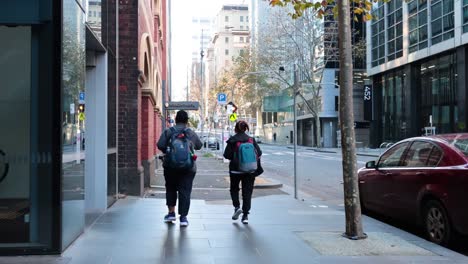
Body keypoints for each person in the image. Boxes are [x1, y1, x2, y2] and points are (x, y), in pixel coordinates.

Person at [157, 110, 202, 227]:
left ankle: (171, 213)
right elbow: (199, 145)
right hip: (188, 168)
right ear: (187, 121)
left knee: (171, 188)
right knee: (185, 191)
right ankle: (183, 217)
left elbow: (160, 145)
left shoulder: (169, 131)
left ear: (176, 119)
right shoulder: (190, 133)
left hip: (170, 167)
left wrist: (170, 152)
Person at [223, 121, 262, 224]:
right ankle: (245, 216)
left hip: (235, 170)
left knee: (234, 189)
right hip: (250, 170)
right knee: (247, 192)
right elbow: (260, 152)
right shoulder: (251, 140)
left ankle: (237, 207)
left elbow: (226, 155)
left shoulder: (232, 140)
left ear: (235, 129)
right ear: (245, 129)